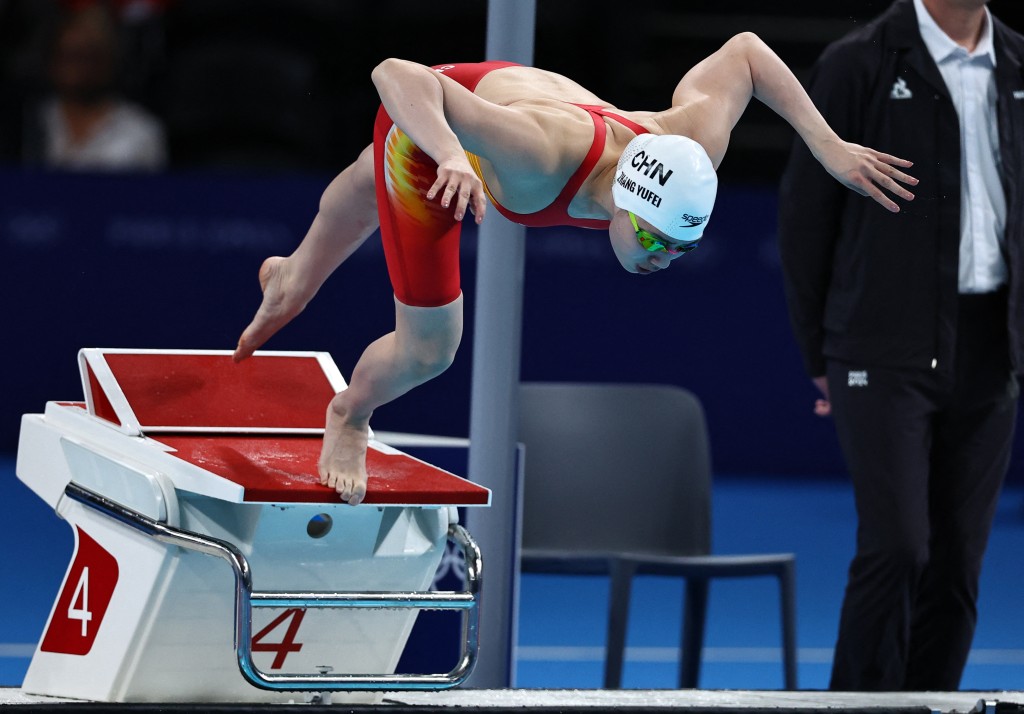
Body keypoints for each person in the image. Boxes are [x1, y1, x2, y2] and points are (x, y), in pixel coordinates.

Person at [234, 32, 917, 506]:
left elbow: (744, 53)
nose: (661, 261)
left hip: (491, 111)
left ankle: (294, 273)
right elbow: (398, 76)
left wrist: (826, 147)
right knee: (430, 349)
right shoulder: (539, 156)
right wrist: (444, 153)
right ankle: (350, 414)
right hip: (444, 123)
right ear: (627, 199)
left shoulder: (692, 141)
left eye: (678, 250)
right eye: (655, 242)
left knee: (366, 184)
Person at [778, 0, 1023, 692]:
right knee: (898, 547)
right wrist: (817, 357)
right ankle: (856, 710)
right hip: (879, 346)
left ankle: (931, 706)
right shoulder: (858, 63)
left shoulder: (1017, 63)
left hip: (990, 349)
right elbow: (804, 218)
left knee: (957, 568)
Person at [26, 4, 166, 171]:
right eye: (68, 55)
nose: (76, 67)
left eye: (86, 56)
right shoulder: (31, 123)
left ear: (108, 61)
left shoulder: (140, 131)